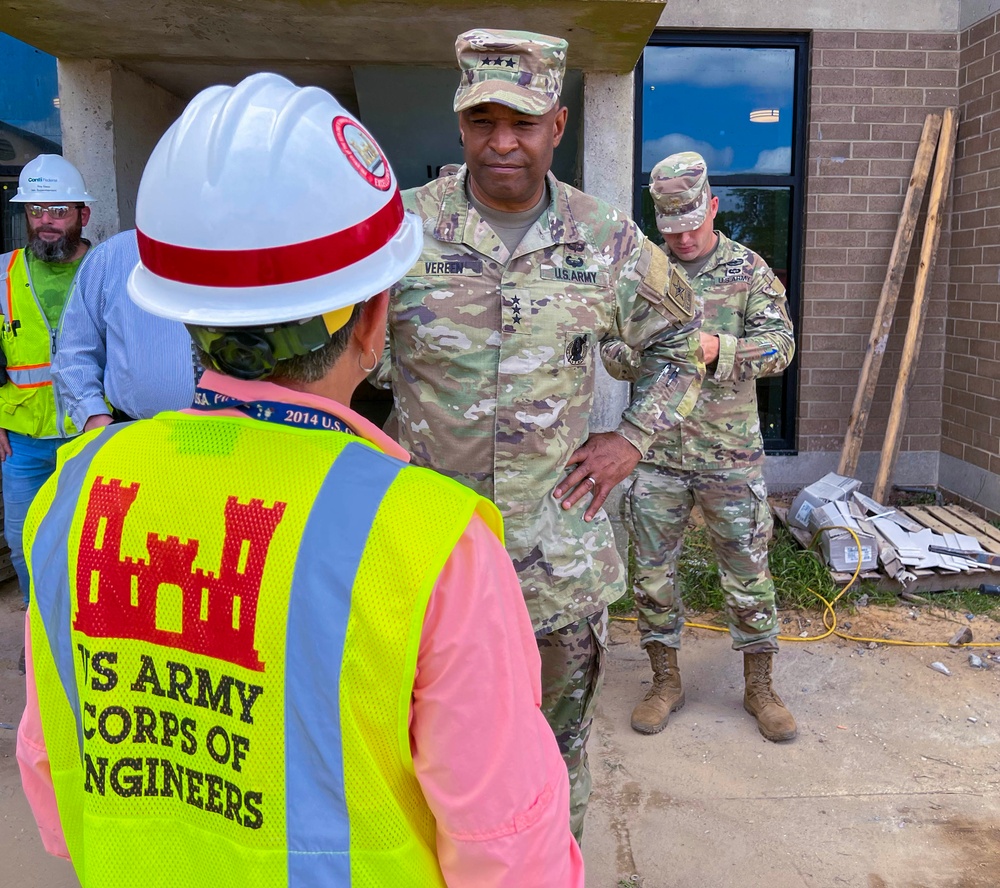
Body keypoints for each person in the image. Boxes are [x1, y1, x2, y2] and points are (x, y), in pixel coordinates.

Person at [17, 73, 584, 887]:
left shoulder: (72, 494)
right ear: (374, 318)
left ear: (183, 312)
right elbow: (506, 840)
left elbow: (49, 758)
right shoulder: (431, 542)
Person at [376, 28, 704, 840]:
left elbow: (682, 349)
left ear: (557, 125)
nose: (502, 143)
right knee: (414, 754)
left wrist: (632, 438)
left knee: (554, 756)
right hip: (424, 560)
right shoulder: (399, 234)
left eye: (522, 122)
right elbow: (341, 361)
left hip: (555, 562)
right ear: (459, 125)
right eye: (483, 121)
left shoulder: (610, 241)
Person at [601, 151, 797, 742]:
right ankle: (664, 682)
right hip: (656, 453)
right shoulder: (645, 274)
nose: (684, 240)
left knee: (747, 571)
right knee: (653, 574)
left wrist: (721, 349)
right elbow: (611, 349)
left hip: (729, 457)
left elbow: (782, 347)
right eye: (671, 230)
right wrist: (634, 354)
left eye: (693, 226)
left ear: (713, 207)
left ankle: (760, 687)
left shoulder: (748, 269)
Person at [0, 154, 94, 618]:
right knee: (23, 543)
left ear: (83, 214)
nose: (46, 223)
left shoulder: (107, 269)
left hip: (95, 433)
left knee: (91, 542)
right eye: (36, 212)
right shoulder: (2, 273)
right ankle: (41, 632)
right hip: (23, 440)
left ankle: (84, 630)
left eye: (58, 211)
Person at [53, 228, 198, 431]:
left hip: (247, 434)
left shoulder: (254, 246)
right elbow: (75, 349)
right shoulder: (114, 254)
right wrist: (94, 419)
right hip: (140, 436)